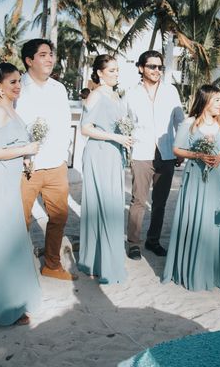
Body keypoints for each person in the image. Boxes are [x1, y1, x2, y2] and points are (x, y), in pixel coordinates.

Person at [0, 63, 43, 325]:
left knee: (11, 238)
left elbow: (7, 144)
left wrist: (25, 158)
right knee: (2, 242)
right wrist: (25, 148)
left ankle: (14, 298)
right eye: (12, 82)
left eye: (19, 81)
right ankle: (4, 305)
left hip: (10, 178)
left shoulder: (9, 108)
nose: (17, 86)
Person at [16, 39, 76, 280]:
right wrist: (23, 155)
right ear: (29, 60)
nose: (50, 59)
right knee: (21, 219)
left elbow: (64, 124)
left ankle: (52, 264)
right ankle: (19, 269)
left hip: (55, 165)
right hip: (25, 166)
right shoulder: (17, 86)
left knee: (59, 217)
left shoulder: (59, 88)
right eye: (43, 55)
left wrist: (62, 156)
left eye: (51, 54)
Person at [162, 84, 220, 291]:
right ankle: (190, 269)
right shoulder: (189, 123)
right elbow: (177, 149)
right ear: (206, 101)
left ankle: (213, 271)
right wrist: (199, 155)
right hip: (195, 177)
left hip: (216, 178)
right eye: (217, 100)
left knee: (213, 223)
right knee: (194, 220)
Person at [125, 50, 184, 260]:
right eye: (152, 66)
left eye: (160, 67)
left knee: (160, 202)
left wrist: (180, 148)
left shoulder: (171, 91)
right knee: (138, 200)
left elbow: (180, 121)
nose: (157, 70)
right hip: (141, 152)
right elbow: (125, 123)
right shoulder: (131, 93)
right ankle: (133, 243)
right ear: (141, 68)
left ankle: (153, 240)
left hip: (166, 152)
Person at [78, 55, 133, 283]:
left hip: (112, 153)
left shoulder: (114, 94)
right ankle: (95, 262)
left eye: (117, 70)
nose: (116, 74)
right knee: (101, 205)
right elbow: (85, 128)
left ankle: (103, 260)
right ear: (99, 73)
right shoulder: (96, 94)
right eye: (111, 70)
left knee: (111, 205)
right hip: (99, 152)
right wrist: (116, 137)